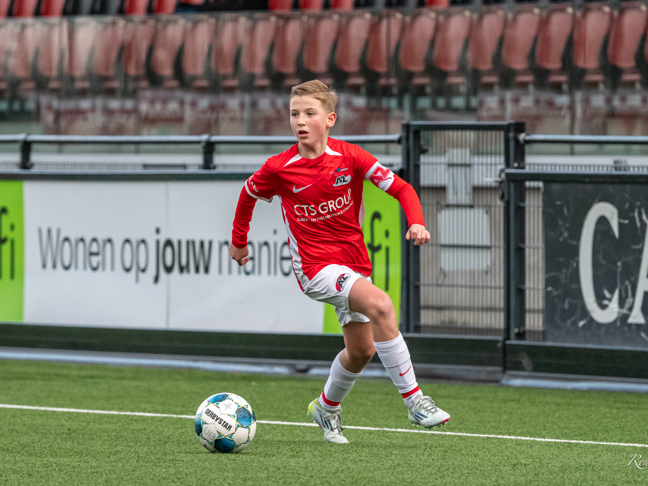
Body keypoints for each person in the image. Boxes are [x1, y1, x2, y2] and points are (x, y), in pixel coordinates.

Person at [229, 80, 450, 444]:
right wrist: (239, 241)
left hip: (354, 263)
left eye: (309, 113)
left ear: (330, 119)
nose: (300, 121)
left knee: (361, 351)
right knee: (381, 305)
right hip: (314, 269)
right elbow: (248, 193)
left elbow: (401, 188)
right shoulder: (279, 167)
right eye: (294, 114)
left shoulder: (351, 157)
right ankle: (415, 402)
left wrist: (417, 220)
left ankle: (326, 407)